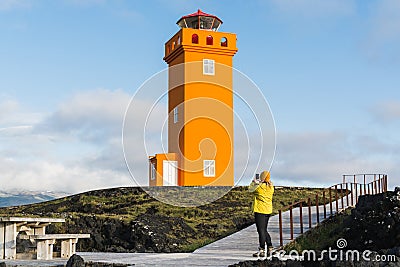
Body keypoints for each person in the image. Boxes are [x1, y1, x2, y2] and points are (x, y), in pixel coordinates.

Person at [249, 170, 274, 257]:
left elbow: (250, 190)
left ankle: (262, 249)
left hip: (260, 211)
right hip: (268, 211)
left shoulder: (259, 188)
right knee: (264, 229)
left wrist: (254, 182)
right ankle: (270, 247)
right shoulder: (271, 187)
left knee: (261, 231)